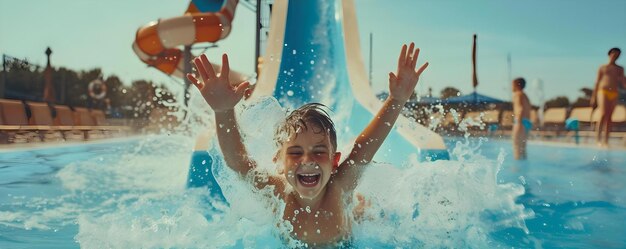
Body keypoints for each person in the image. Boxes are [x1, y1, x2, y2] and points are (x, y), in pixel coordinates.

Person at [186, 43, 428, 246]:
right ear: (279, 163)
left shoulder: (340, 188)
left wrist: (396, 100)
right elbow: (239, 163)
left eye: (319, 151)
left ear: (335, 161)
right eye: (295, 152)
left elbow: (364, 147)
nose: (308, 159)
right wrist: (223, 110)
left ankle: (362, 208)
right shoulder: (278, 194)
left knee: (365, 211)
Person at [591, 47, 626, 147]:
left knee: (609, 117)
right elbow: (597, 82)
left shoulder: (620, 69)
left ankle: (606, 141)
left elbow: (623, 82)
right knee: (603, 114)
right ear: (610, 54)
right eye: (615, 54)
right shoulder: (603, 67)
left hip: (614, 93)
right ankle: (598, 140)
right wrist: (593, 96)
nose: (616, 56)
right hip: (603, 91)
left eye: (618, 55)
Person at [512, 77, 532, 160]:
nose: (511, 87)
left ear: (517, 85)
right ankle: (523, 163)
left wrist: (519, 123)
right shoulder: (525, 96)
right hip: (527, 122)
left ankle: (518, 170)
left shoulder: (518, 94)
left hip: (520, 122)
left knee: (516, 146)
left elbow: (520, 109)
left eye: (512, 85)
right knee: (523, 148)